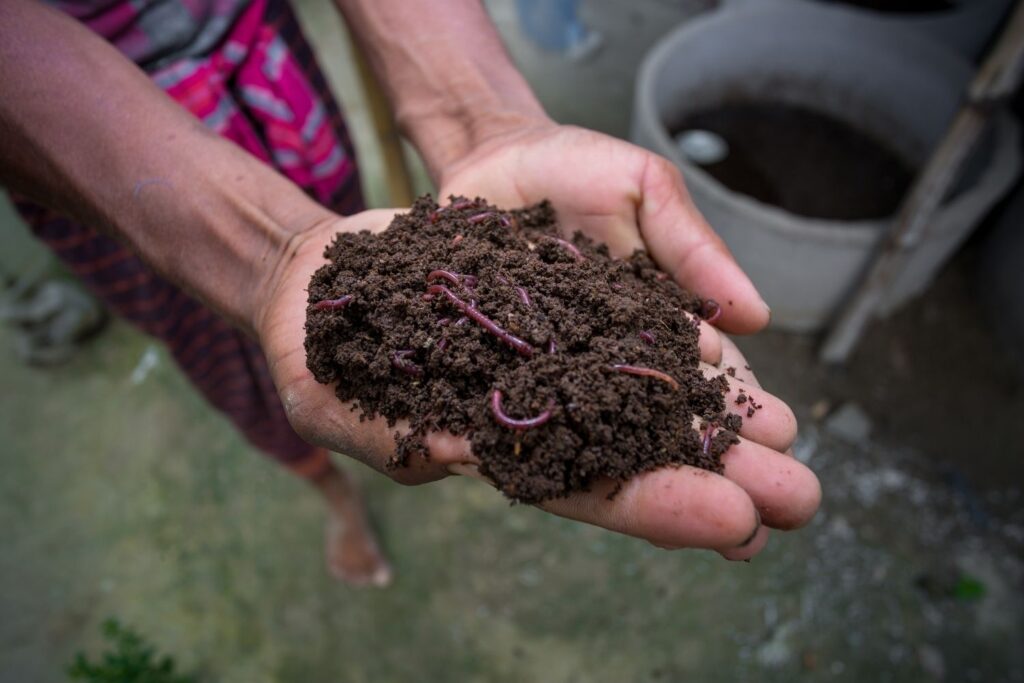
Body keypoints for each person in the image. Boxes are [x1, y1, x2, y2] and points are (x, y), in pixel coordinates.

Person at [0, 0, 821, 587]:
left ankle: (322, 459)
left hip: (260, 58)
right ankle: (325, 489)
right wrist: (263, 258)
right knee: (223, 351)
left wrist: (483, 122)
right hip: (81, 147)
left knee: (340, 226)